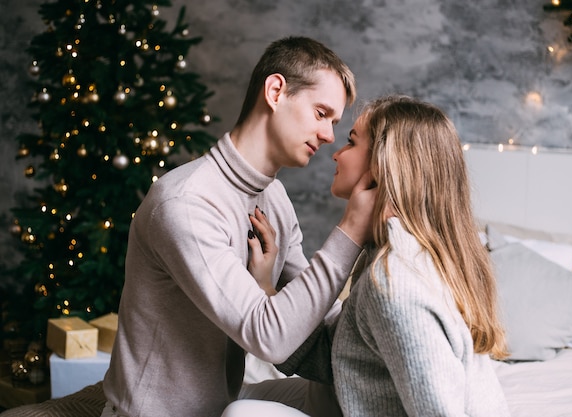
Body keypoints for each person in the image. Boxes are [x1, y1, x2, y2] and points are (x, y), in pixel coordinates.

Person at [100, 36, 376, 417]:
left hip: (223, 404)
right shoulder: (186, 203)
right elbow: (270, 337)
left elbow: (309, 317)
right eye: (321, 113)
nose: (329, 136)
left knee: (337, 400)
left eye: (335, 123)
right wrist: (353, 231)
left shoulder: (274, 198)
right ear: (276, 92)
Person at [231, 95, 511, 416]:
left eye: (351, 142)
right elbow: (335, 354)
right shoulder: (393, 251)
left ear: (380, 166)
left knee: (239, 414)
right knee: (231, 396)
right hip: (344, 399)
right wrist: (267, 290)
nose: (335, 153)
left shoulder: (395, 282)